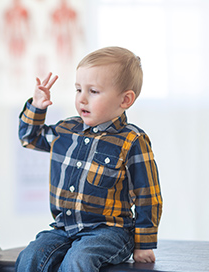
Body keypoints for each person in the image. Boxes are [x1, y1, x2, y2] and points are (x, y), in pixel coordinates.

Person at [15, 46, 163, 271]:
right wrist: (36, 106)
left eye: (93, 91)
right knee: (31, 255)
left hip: (110, 231)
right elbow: (29, 137)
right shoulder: (65, 130)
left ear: (125, 99)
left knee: (79, 259)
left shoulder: (132, 140)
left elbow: (147, 195)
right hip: (64, 228)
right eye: (78, 89)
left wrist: (144, 244)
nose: (82, 99)